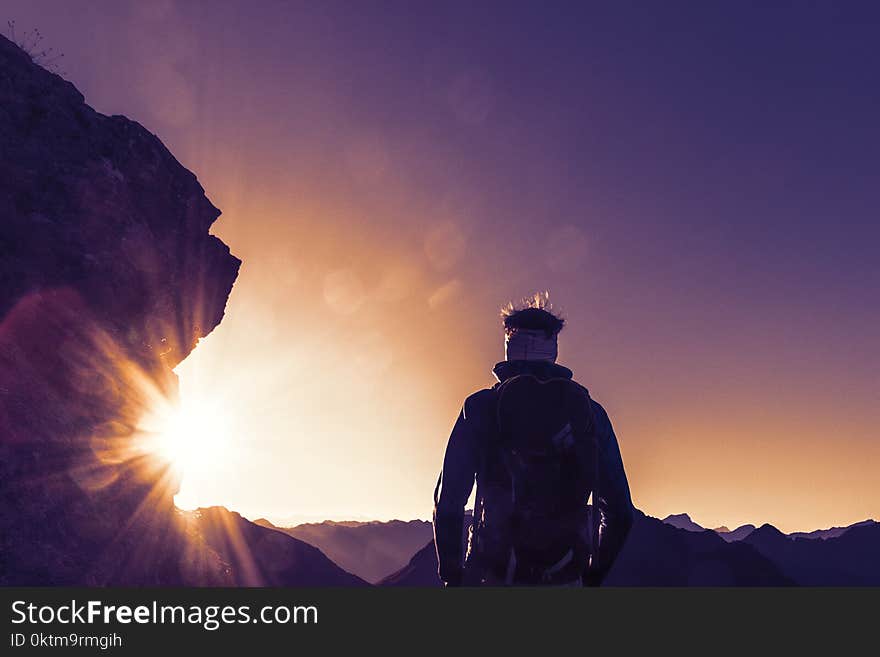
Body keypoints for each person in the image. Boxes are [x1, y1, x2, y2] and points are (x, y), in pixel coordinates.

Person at [433, 295, 634, 586]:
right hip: (563, 573)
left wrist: (452, 576)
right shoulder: (589, 413)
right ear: (553, 350)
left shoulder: (481, 407)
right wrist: (593, 574)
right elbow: (620, 512)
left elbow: (449, 503)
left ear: (508, 349)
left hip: (493, 575)